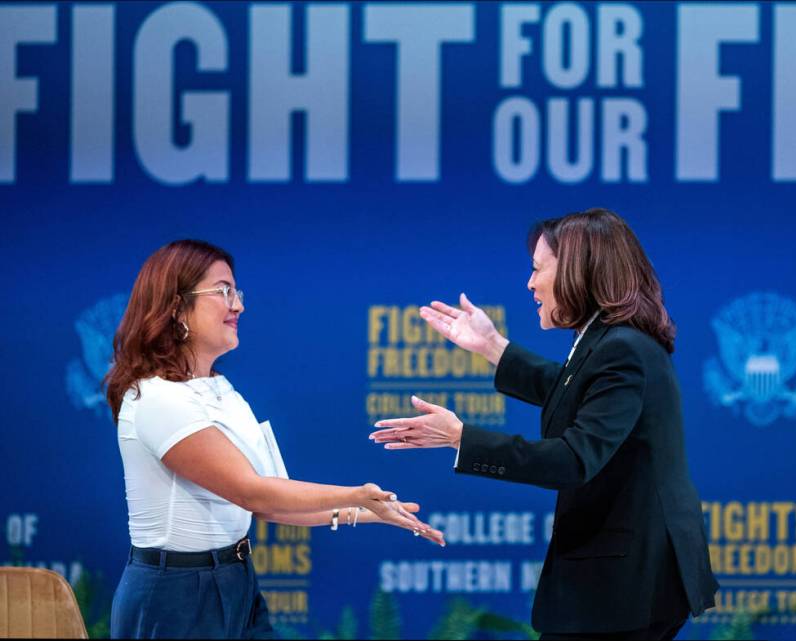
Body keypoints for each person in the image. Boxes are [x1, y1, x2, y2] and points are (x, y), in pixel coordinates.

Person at [370, 209, 718, 640]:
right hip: (625, 582)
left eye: (538, 269)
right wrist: (493, 346)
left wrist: (462, 439)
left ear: (577, 270)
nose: (530, 284)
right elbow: (571, 390)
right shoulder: (612, 340)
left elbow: (574, 459)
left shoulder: (621, 347)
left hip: (624, 588)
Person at [106, 240, 443, 639]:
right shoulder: (157, 397)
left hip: (236, 581)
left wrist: (369, 512)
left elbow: (272, 500)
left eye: (237, 292)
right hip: (175, 595)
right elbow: (254, 494)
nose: (238, 306)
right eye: (223, 291)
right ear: (176, 306)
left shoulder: (222, 390)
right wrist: (353, 495)